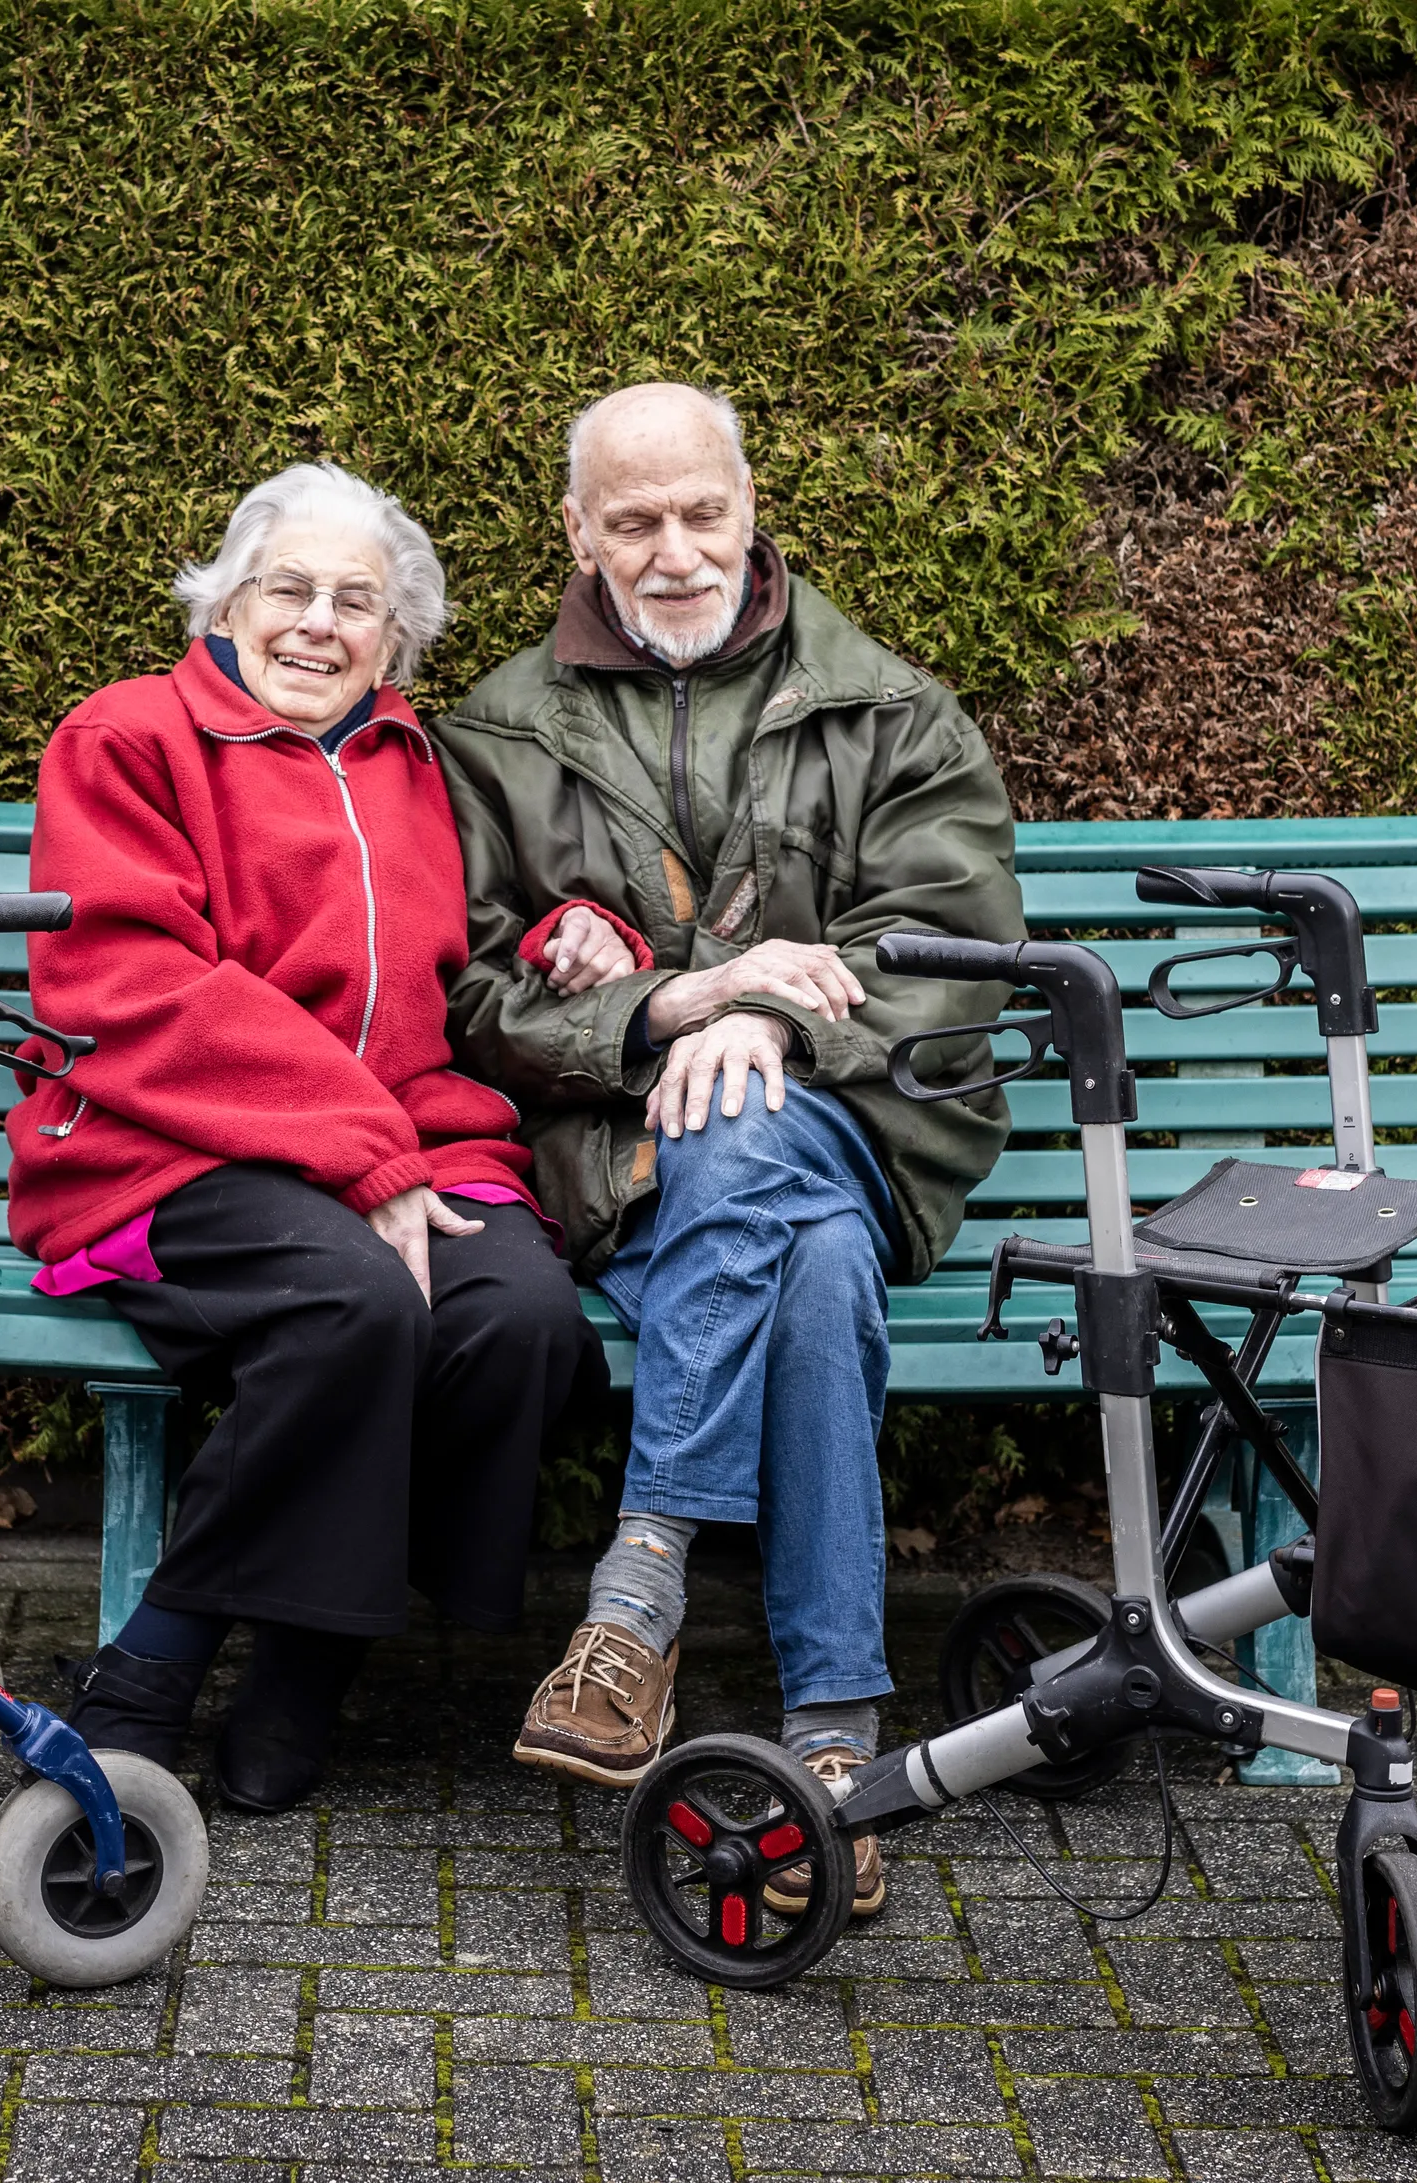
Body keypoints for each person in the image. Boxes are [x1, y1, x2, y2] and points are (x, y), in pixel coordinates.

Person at [436, 384, 1021, 1917]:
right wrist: (672, 1003)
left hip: (864, 1130)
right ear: (577, 533)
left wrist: (775, 1025)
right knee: (808, 1268)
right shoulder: (498, 735)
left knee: (757, 1125)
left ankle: (640, 1593)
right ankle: (838, 1751)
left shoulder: (891, 712)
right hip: (623, 1170)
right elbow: (470, 995)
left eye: (702, 511)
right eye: (633, 522)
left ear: (751, 501)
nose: (675, 550)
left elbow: (952, 967)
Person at [3, 461, 598, 1813]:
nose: (319, 624)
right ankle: (157, 1663)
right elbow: (135, 984)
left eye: (358, 602)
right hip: (167, 1143)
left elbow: (504, 928)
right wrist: (360, 1154)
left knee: (518, 1317)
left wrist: (586, 934)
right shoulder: (129, 736)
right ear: (227, 599)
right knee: (352, 1300)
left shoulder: (421, 766)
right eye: (290, 589)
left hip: (410, 1141)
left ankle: (312, 1655)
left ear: (397, 638)